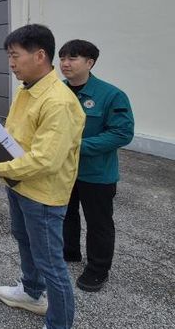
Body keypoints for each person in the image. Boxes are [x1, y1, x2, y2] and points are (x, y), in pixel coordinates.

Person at [0, 24, 85, 329]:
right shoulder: (28, 89)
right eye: (9, 56)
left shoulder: (58, 101)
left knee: (51, 263)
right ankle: (32, 292)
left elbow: (46, 160)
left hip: (43, 195)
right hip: (20, 185)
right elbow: (16, 137)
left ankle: (59, 323)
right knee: (24, 240)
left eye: (15, 55)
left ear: (39, 56)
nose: (11, 63)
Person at [59, 39, 134, 292]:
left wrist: (77, 147)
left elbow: (122, 133)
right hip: (64, 170)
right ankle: (69, 252)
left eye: (72, 58)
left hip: (97, 173)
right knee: (65, 214)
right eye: (62, 58)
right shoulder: (58, 92)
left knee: (98, 223)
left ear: (89, 63)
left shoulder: (111, 95)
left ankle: (98, 269)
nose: (65, 63)